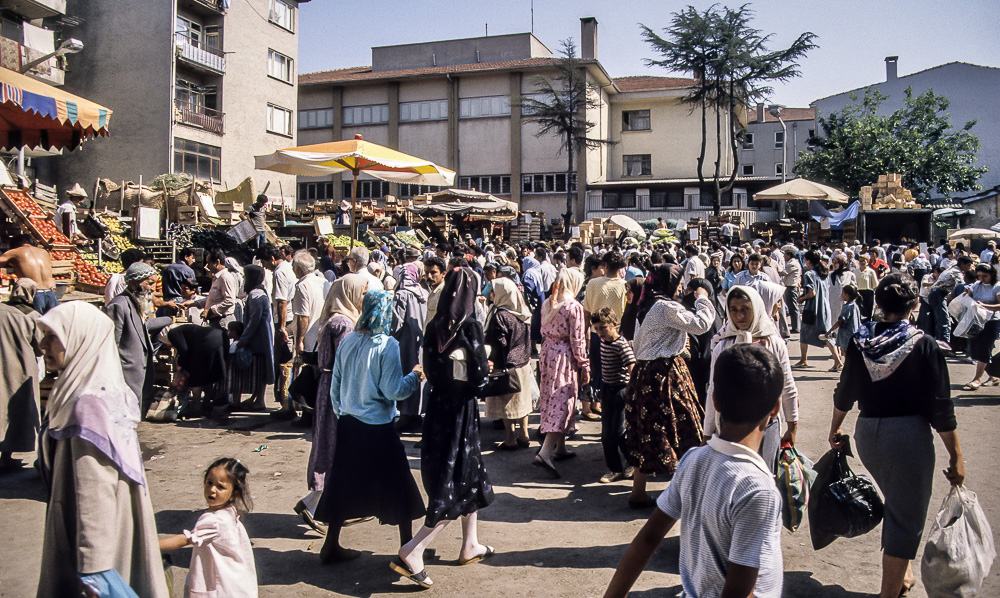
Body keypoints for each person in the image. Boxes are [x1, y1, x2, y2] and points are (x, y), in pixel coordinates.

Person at [605, 344, 785, 598]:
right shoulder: (758, 490)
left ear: (715, 402)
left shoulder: (694, 460)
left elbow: (648, 538)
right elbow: (737, 592)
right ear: (776, 407)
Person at [829, 273, 965, 598]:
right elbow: (941, 409)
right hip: (907, 439)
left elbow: (845, 390)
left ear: (877, 304)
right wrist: (957, 455)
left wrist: (835, 427)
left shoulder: (861, 340)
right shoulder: (924, 345)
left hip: (868, 437)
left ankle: (903, 576)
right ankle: (888, 594)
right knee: (906, 518)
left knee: (896, 504)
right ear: (915, 305)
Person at [35, 302, 168, 598]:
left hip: (96, 540)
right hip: (107, 526)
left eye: (53, 336)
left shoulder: (87, 406)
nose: (42, 345)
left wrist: (93, 567)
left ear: (81, 339)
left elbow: (93, 491)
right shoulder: (99, 391)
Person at [396, 268, 494, 589]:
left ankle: (470, 544)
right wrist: (485, 366)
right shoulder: (471, 328)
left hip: (437, 408)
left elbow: (431, 368)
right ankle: (414, 548)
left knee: (470, 477)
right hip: (461, 415)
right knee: (457, 483)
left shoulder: (434, 325)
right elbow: (479, 378)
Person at [315, 290, 426, 566]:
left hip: (349, 424)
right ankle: (407, 548)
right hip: (378, 427)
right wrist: (415, 376)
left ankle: (331, 544)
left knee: (343, 482)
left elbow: (335, 387)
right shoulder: (386, 345)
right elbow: (394, 390)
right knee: (398, 483)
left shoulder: (349, 340)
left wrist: (344, 412)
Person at [626, 264, 715, 507]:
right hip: (665, 374)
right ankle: (681, 496)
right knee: (681, 429)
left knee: (646, 432)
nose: (680, 289)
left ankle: (638, 492)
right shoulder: (665, 307)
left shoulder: (645, 305)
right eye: (678, 283)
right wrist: (703, 297)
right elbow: (701, 324)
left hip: (644, 372)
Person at [297, 273, 367, 534]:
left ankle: (337, 506)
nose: (363, 298)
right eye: (361, 293)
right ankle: (312, 503)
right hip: (339, 390)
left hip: (329, 388)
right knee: (335, 444)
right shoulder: (344, 324)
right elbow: (346, 363)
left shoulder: (334, 319)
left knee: (330, 443)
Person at [703, 285, 799, 470]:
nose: (740, 316)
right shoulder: (722, 346)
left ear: (756, 308)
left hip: (767, 427)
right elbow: (713, 391)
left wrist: (792, 425)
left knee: (763, 475)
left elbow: (787, 386)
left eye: (746, 309)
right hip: (730, 427)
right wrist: (707, 433)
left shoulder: (774, 344)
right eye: (734, 310)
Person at [158, 458, 257, 598]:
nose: (212, 490)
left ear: (234, 494)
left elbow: (185, 539)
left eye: (220, 487)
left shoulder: (214, 521)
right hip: (234, 582)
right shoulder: (230, 511)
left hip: (220, 588)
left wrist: (151, 546)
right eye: (209, 483)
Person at [535, 267, 589, 478]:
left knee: (551, 398)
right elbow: (578, 339)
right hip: (564, 356)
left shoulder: (548, 303)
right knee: (563, 401)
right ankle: (546, 452)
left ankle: (560, 448)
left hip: (547, 353)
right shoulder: (573, 307)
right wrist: (584, 365)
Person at [483, 277, 534, 450]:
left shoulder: (500, 316)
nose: (490, 294)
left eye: (493, 291)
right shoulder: (523, 312)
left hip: (506, 365)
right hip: (524, 364)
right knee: (523, 402)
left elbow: (499, 343)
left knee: (508, 404)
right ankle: (524, 434)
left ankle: (510, 438)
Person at [582, 252, 629, 420]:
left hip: (595, 335)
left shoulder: (592, 284)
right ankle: (602, 405)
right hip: (617, 336)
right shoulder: (625, 286)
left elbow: (586, 313)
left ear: (606, 266)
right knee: (613, 374)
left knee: (594, 372)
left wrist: (585, 335)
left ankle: (591, 405)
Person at [591, 308, 636, 484]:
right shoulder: (603, 342)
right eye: (596, 329)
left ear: (614, 325)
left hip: (620, 391)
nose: (600, 332)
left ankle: (632, 461)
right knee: (606, 434)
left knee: (619, 432)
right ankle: (614, 468)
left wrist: (632, 393)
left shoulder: (621, 345)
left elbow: (632, 368)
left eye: (603, 328)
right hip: (607, 389)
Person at [106, 261, 157, 408]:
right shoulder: (118, 305)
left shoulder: (136, 304)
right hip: (125, 376)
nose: (152, 289)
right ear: (134, 284)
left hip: (137, 377)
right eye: (149, 283)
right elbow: (111, 346)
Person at [0, 297, 40, 471]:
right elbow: (39, 346)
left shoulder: (1, 309)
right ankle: (8, 455)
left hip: (1, 364)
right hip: (22, 368)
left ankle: (5, 458)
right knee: (19, 412)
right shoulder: (31, 315)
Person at [229, 266, 275, 411]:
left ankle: (260, 400)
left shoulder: (256, 296)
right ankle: (256, 397)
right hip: (260, 336)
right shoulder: (259, 293)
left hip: (259, 338)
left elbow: (254, 321)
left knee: (259, 368)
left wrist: (244, 339)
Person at [390, 263, 428, 433]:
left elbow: (396, 322)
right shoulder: (424, 293)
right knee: (420, 375)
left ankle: (406, 415)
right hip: (421, 341)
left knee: (407, 374)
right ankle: (417, 414)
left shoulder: (401, 295)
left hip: (405, 343)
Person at [263, 244, 297, 419]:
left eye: (264, 262)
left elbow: (282, 301)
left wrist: (282, 327)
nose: (264, 266)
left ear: (271, 259)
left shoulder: (279, 272)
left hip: (286, 321)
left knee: (284, 364)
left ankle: (286, 406)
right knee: (285, 363)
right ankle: (286, 404)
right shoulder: (286, 268)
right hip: (288, 320)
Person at [962, 263, 1000, 389]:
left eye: (985, 276)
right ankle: (993, 376)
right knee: (976, 349)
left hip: (992, 322)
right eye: (979, 276)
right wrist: (966, 296)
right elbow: (970, 297)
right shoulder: (976, 285)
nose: (982, 279)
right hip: (977, 321)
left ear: (992, 275)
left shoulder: (997, 287)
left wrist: (985, 305)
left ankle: (977, 379)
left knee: (985, 348)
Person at [794, 251, 835, 369]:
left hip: (813, 308)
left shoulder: (809, 274)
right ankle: (836, 361)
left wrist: (801, 299)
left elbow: (812, 293)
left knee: (805, 333)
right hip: (824, 307)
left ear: (808, 261)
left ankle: (803, 360)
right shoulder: (823, 273)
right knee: (825, 334)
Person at [0, 235, 57, 314]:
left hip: (34, 294)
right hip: (51, 292)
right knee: (52, 324)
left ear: (15, 244)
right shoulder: (44, 252)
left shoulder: (15, 252)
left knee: (34, 323)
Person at [824, 284, 863, 371]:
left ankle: (850, 369)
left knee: (845, 351)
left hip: (847, 334)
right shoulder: (855, 305)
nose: (841, 295)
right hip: (855, 333)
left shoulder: (847, 307)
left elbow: (840, 321)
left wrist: (829, 331)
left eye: (843, 293)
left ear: (847, 295)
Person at [158, 248, 196, 317]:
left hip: (166, 302)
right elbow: (194, 288)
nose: (194, 261)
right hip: (180, 302)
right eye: (192, 258)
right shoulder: (189, 270)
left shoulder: (167, 268)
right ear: (186, 257)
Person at [781, 245, 801, 333]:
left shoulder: (792, 263)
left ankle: (796, 327)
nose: (784, 257)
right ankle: (796, 326)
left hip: (791, 287)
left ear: (789, 255)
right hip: (790, 286)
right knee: (792, 307)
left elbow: (784, 273)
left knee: (793, 308)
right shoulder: (792, 262)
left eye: (785, 255)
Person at [423, 256, 447, 329]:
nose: (429, 276)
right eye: (427, 273)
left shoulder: (444, 293)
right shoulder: (433, 291)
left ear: (443, 274)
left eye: (433, 273)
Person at [855, 253, 879, 321]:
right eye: (860, 261)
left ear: (867, 261)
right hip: (858, 294)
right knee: (859, 314)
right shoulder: (855, 271)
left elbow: (875, 285)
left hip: (868, 295)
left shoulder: (871, 272)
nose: (862, 262)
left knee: (868, 314)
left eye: (864, 260)